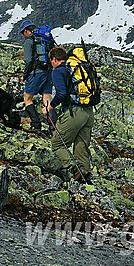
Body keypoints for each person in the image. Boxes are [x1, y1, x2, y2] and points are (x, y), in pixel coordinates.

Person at [43, 46, 93, 183]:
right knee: (81, 147)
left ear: (54, 59)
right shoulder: (77, 69)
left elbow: (61, 93)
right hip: (89, 112)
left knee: (57, 144)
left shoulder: (58, 71)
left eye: (50, 61)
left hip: (74, 112)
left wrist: (49, 107)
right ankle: (85, 183)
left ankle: (76, 169)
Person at [20, 20, 52, 135]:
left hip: (36, 73)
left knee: (27, 99)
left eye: (23, 33)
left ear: (25, 30)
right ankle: (54, 127)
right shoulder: (44, 39)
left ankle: (36, 125)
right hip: (48, 72)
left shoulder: (29, 41)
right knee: (47, 100)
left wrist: (25, 75)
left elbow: (29, 61)